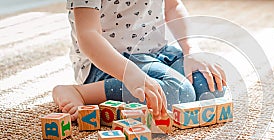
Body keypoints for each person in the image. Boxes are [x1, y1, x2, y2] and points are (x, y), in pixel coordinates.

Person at [52, 0, 227, 121]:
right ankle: (82, 92)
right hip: (110, 63)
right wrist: (130, 73)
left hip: (158, 53)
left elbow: (173, 7)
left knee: (209, 85)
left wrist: (191, 51)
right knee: (180, 94)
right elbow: (88, 36)